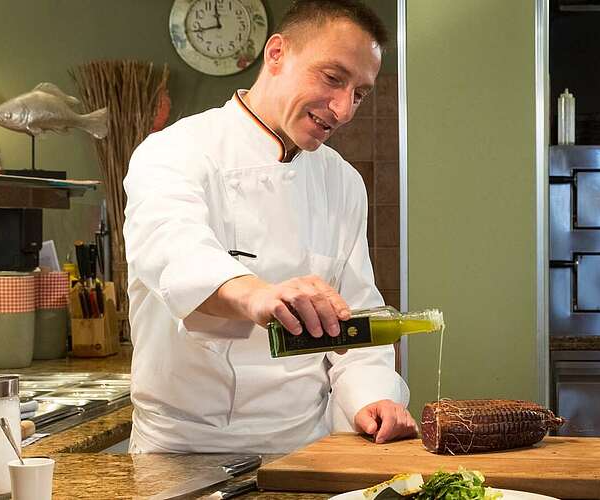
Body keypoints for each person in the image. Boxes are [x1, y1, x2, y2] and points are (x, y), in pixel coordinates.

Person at [122, 0, 412, 454]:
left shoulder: (343, 182)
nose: (343, 109)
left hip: (304, 444)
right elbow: (173, 251)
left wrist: (372, 394)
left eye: (359, 93)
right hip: (186, 449)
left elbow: (355, 311)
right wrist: (258, 293)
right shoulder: (173, 152)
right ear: (276, 54)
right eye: (333, 77)